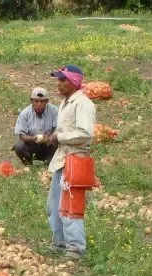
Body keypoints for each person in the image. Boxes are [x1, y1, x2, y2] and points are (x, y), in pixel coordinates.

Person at [44, 64, 97, 261]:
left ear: (74, 81)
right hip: (62, 159)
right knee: (54, 206)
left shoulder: (82, 103)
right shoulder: (66, 103)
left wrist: (60, 137)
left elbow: (85, 133)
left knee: (70, 206)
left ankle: (75, 249)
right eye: (58, 79)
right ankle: (59, 244)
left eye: (63, 80)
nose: (59, 84)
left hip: (75, 159)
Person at [12, 87, 59, 166]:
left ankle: (50, 162)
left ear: (47, 101)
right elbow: (21, 136)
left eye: (42, 101)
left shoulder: (54, 111)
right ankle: (28, 165)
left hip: (49, 145)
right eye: (36, 101)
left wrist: (49, 137)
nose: (39, 104)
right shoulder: (25, 113)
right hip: (32, 145)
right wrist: (34, 138)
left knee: (60, 140)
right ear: (31, 101)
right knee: (19, 146)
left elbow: (59, 129)